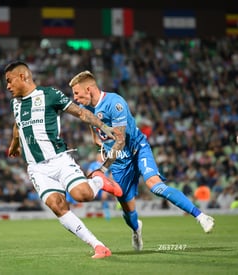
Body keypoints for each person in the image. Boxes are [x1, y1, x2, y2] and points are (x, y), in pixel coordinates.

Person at [69, 70, 215, 251]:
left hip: (137, 150)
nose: (75, 98)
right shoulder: (87, 108)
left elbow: (121, 141)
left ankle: (201, 216)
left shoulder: (115, 104)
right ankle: (136, 230)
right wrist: (95, 137)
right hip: (120, 163)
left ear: (89, 89)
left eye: (76, 93)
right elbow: (91, 122)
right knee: (128, 210)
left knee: (156, 186)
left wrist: (103, 168)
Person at [4, 61, 123, 259]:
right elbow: (18, 125)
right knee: (57, 206)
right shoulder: (15, 103)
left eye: (9, 81)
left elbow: (81, 112)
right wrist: (14, 144)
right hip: (36, 168)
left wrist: (104, 127)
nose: (7, 86)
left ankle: (99, 181)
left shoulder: (49, 95)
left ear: (23, 77)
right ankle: (98, 246)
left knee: (82, 195)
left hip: (59, 160)